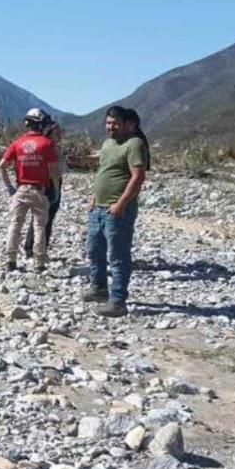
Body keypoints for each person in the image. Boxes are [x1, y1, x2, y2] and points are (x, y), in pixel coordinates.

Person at [83, 106, 148, 317]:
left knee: (118, 256)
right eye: (108, 123)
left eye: (115, 123)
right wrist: (93, 198)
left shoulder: (134, 144)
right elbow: (104, 171)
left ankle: (118, 301)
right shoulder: (107, 144)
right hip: (99, 208)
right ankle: (99, 288)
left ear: (127, 124)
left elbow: (137, 177)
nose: (111, 127)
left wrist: (121, 204)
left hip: (118, 210)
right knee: (94, 250)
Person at [0, 108, 59, 273]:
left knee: (15, 225)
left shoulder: (17, 143)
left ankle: (10, 260)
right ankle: (39, 263)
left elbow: (1, 166)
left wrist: (9, 187)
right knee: (40, 226)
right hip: (39, 190)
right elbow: (53, 170)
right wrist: (56, 190)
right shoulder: (47, 143)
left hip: (21, 189)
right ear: (40, 123)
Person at [24, 121, 65, 257]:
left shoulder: (46, 146)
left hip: (46, 184)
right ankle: (37, 249)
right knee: (45, 218)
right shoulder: (49, 147)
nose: (60, 135)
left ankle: (33, 247)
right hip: (49, 185)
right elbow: (52, 169)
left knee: (40, 217)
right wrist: (56, 190)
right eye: (57, 132)